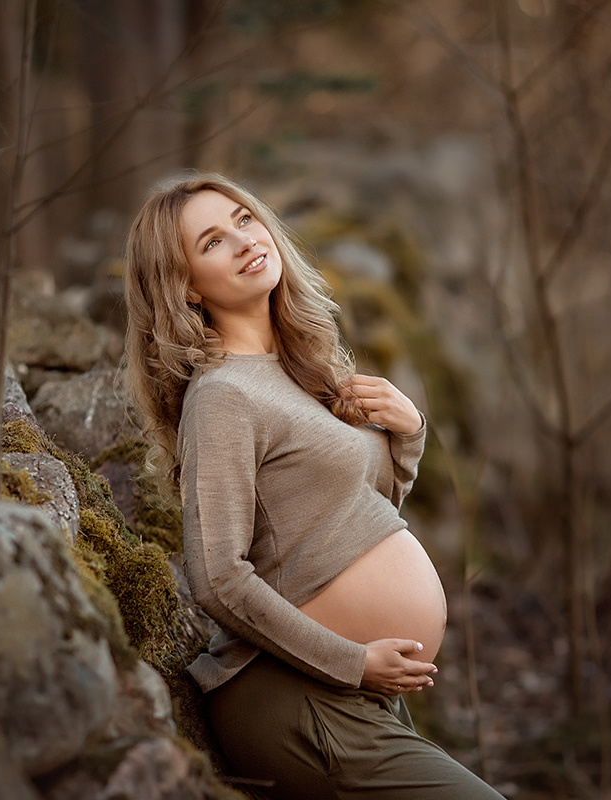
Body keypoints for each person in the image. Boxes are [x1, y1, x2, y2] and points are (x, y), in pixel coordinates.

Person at [123, 173, 503, 799]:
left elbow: (354, 521)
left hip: (356, 692)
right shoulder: (223, 396)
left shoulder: (302, 371)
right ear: (185, 286)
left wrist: (408, 437)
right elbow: (217, 577)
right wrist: (352, 661)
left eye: (244, 219)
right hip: (295, 697)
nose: (245, 241)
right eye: (213, 242)